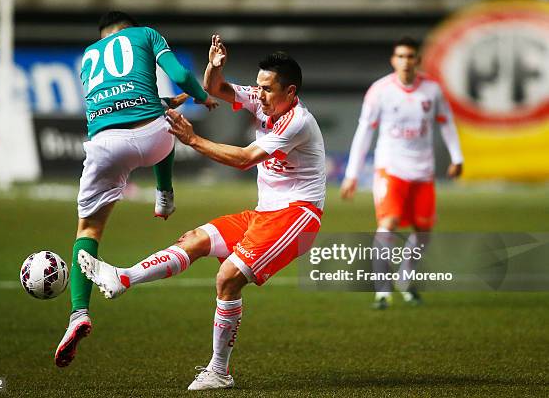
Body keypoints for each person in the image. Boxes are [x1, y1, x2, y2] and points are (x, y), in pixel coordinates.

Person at [76, 35, 326, 390]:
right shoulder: (264, 100)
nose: (259, 94)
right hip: (265, 213)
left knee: (227, 277)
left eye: (267, 89)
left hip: (297, 216)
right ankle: (123, 278)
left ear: (290, 91)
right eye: (258, 87)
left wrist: (192, 140)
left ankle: (219, 372)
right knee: (195, 239)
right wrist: (214, 66)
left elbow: (243, 160)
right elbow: (215, 88)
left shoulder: (297, 122)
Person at [54, 11, 217, 368]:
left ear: (104, 35)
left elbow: (110, 108)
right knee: (168, 125)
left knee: (89, 230)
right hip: (155, 137)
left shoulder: (89, 57)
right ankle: (165, 193)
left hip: (106, 144)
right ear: (129, 29)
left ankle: (78, 314)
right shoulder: (146, 34)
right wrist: (202, 96)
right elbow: (180, 75)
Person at [339, 36, 464, 309]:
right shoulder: (380, 91)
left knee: (424, 230)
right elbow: (364, 132)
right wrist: (352, 174)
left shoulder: (432, 90)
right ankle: (382, 290)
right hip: (390, 168)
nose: (406, 61)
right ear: (393, 60)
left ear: (417, 60)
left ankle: (406, 278)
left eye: (410, 57)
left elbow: (446, 123)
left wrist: (457, 157)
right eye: (401, 56)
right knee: (389, 223)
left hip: (423, 171)